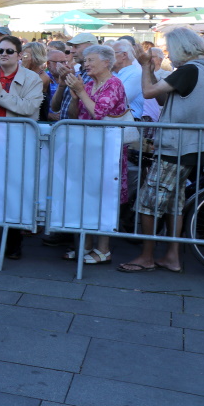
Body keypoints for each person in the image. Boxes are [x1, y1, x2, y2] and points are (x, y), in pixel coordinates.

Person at [119, 28, 204, 274]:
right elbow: (162, 99)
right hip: (190, 146)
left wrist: (144, 66)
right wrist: (149, 69)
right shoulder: (202, 69)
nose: (169, 54)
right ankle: (172, 256)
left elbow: (149, 93)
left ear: (182, 48)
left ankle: (147, 257)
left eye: (170, 49)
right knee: (174, 203)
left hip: (177, 146)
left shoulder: (190, 70)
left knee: (148, 202)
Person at [0, 35, 44, 259]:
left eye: (9, 51)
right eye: (0, 50)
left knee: (15, 192)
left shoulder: (32, 78)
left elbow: (29, 108)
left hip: (17, 143)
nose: (4, 54)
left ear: (20, 55)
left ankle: (14, 242)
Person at [61, 45, 127, 266]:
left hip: (107, 152)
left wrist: (80, 92)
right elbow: (74, 115)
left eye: (90, 60)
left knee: (104, 198)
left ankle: (104, 250)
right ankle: (86, 245)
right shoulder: (88, 85)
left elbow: (99, 114)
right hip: (87, 150)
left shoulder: (114, 84)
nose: (85, 64)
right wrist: (74, 97)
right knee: (86, 197)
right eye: (85, 60)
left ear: (106, 62)